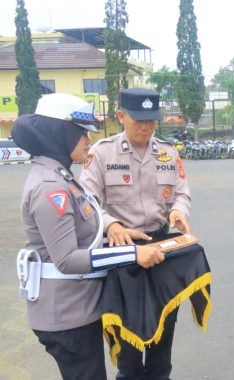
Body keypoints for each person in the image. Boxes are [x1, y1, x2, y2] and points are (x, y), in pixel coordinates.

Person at [14, 94, 164, 380]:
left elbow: (83, 239)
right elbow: (68, 259)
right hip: (66, 315)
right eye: (80, 132)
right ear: (60, 134)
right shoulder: (50, 188)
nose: (87, 139)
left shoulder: (60, 177)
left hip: (76, 309)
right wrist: (133, 254)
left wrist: (120, 235)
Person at [80, 88, 190, 380]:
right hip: (124, 254)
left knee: (162, 339)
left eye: (152, 120)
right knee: (128, 349)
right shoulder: (102, 153)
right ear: (120, 116)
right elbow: (86, 203)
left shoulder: (167, 152)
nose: (146, 127)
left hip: (161, 249)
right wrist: (110, 224)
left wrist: (178, 211)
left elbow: (181, 192)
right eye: (139, 120)